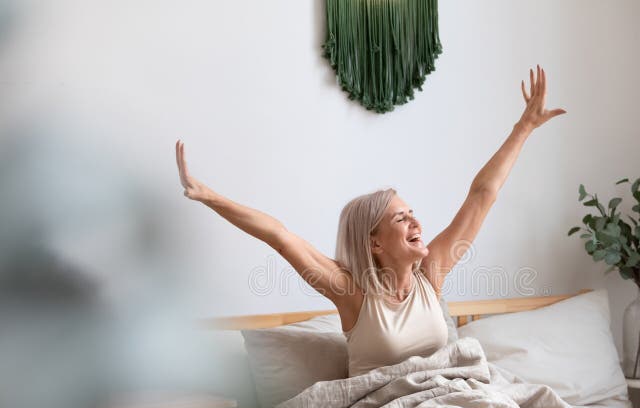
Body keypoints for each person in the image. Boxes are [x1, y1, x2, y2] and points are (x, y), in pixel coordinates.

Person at [176, 65, 566, 376]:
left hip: (443, 401)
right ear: (375, 242)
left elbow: (482, 195)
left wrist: (524, 128)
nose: (416, 222)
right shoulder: (353, 293)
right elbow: (279, 236)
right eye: (402, 218)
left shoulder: (431, 276)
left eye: (413, 214)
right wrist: (210, 197)